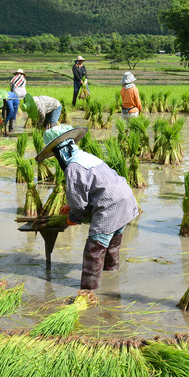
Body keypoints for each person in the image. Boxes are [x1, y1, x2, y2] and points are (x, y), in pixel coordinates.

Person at [36, 125, 138, 291]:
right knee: (112, 244)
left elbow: (78, 203)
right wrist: (71, 207)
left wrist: (72, 218)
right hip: (125, 199)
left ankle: (88, 292)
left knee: (94, 249)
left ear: (60, 153)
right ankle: (111, 279)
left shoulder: (73, 167)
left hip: (110, 205)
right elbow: (93, 186)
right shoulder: (85, 157)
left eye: (55, 155)